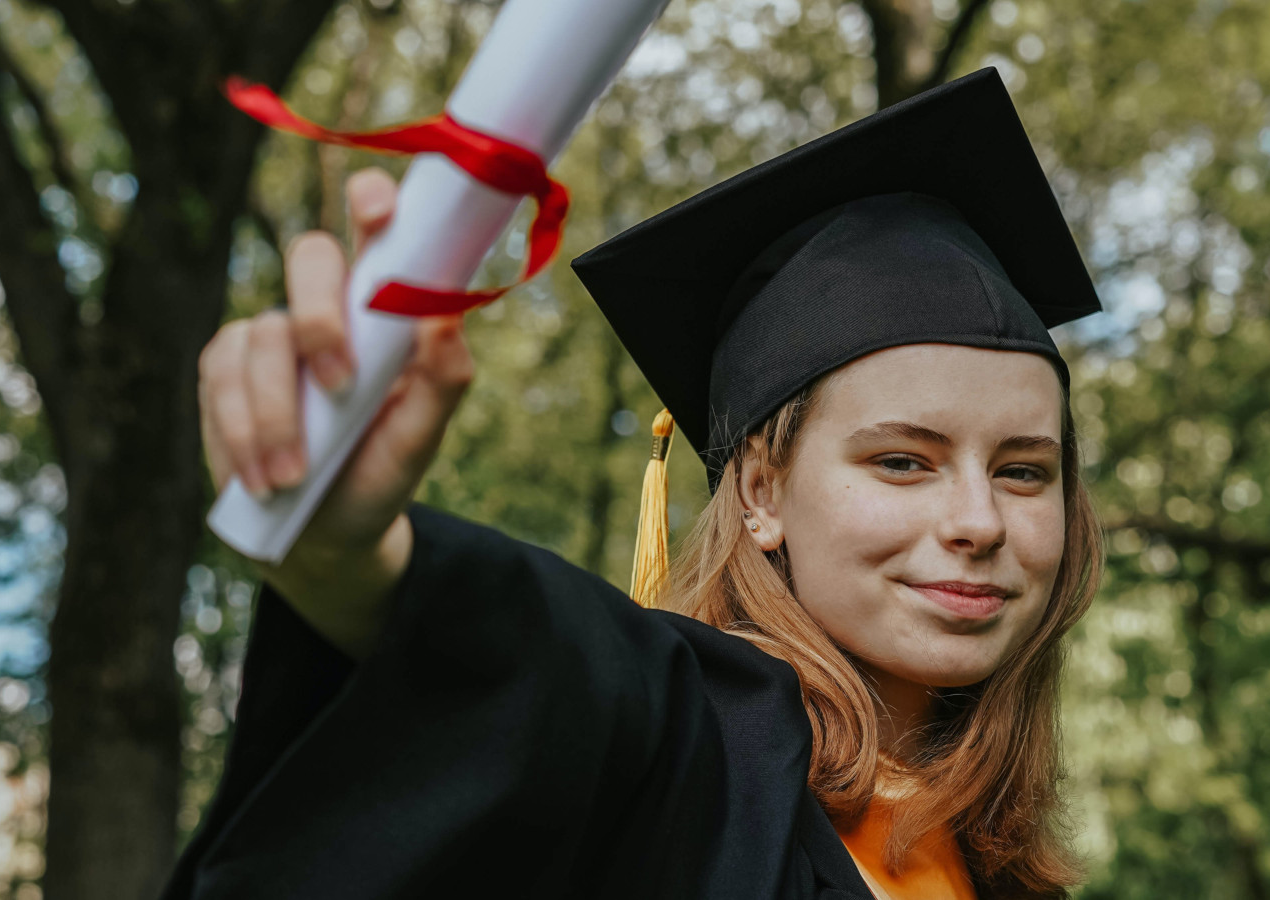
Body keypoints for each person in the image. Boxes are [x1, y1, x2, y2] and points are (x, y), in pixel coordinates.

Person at [169, 68, 1105, 900]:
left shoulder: (998, 865)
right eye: (902, 460)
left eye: (1025, 471)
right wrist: (343, 556)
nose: (979, 519)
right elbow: (533, 671)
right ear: (761, 492)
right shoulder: (683, 758)